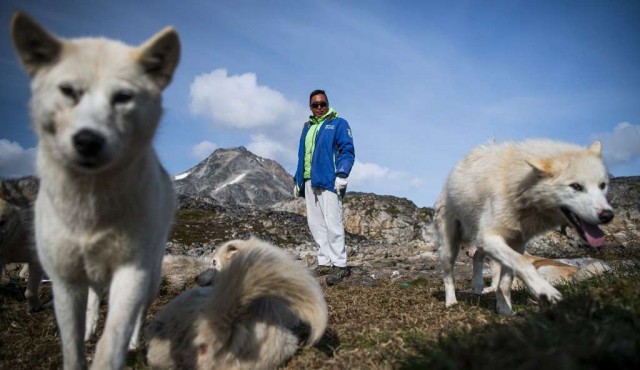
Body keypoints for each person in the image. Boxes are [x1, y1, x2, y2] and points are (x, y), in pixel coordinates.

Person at [294, 89, 355, 286]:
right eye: (315, 105)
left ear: (328, 104)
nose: (319, 107)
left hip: (329, 179)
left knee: (333, 222)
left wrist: (342, 173)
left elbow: (347, 150)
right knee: (316, 223)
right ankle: (325, 262)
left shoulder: (338, 123)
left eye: (323, 104)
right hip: (309, 180)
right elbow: (302, 155)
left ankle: (340, 265)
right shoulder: (307, 127)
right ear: (310, 107)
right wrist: (298, 180)